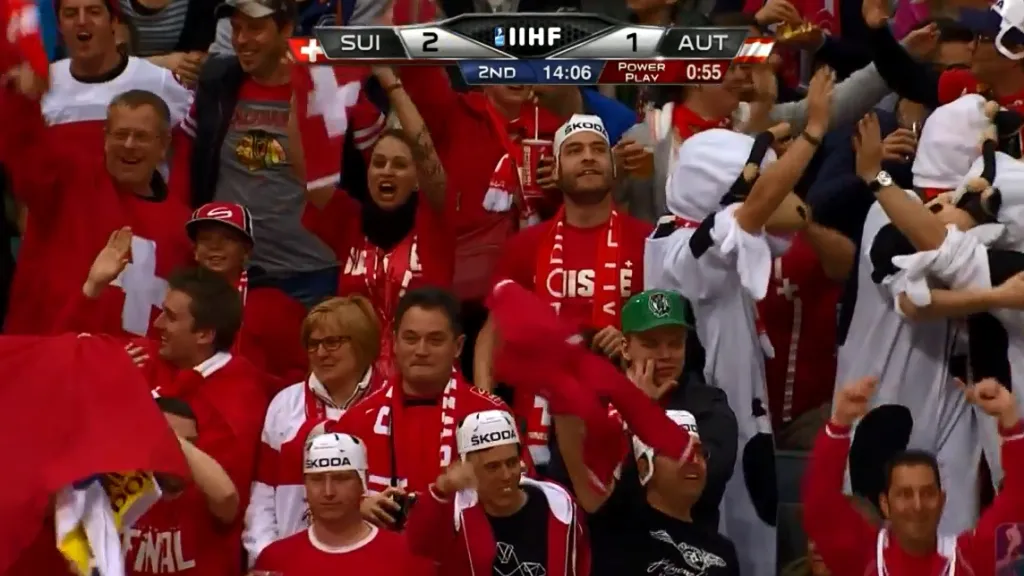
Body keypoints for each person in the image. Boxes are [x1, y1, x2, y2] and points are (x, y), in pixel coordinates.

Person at [643, 65, 834, 576]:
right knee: (723, 550)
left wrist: (766, 126)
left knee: (754, 536)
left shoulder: (681, 223)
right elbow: (752, 208)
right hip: (707, 428)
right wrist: (813, 130)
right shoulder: (683, 248)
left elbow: (745, 189)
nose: (758, 188)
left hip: (739, 412)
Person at [834, 102, 1004, 532]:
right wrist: (1001, 294)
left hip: (950, 401)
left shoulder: (983, 222)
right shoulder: (890, 210)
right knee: (878, 547)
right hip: (882, 398)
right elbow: (919, 297)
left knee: (954, 545)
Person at [176, 0, 385, 308]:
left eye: (256, 28)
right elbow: (184, 155)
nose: (242, 40)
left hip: (314, 273)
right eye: (236, 28)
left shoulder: (328, 88)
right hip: (230, 273)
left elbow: (380, 173)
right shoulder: (219, 83)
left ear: (286, 28)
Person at [476, 114, 653, 467]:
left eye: (598, 149)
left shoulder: (649, 241)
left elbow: (666, 332)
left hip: (624, 409)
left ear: (613, 167)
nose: (588, 157)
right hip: (543, 424)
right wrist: (487, 410)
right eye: (574, 150)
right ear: (555, 171)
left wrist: (628, 343)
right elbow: (493, 333)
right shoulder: (524, 247)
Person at [0, 89, 193, 338]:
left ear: (164, 144)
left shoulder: (183, 226)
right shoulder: (68, 181)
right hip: (46, 355)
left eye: (142, 136)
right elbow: (25, 149)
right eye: (120, 134)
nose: (129, 145)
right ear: (105, 138)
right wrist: (22, 97)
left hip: (128, 369)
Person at [301, 66, 452, 381]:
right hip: (356, 383)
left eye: (399, 165)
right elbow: (309, 170)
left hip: (423, 382)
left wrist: (387, 78)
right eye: (379, 163)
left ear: (415, 180)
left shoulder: (435, 218)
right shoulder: (349, 220)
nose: (386, 171)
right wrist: (297, 90)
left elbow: (424, 151)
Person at [804, 376, 1024, 576]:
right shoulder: (863, 558)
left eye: (927, 493)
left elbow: (1018, 502)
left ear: (942, 500)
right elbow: (820, 505)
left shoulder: (970, 560)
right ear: (885, 503)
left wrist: (1011, 420)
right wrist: (839, 425)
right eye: (904, 494)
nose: (917, 505)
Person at [330, 287, 510, 525]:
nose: (421, 351)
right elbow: (321, 504)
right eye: (411, 339)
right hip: (383, 555)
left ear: (458, 346)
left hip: (463, 556)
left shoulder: (489, 416)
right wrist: (356, 507)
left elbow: (520, 499)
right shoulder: (357, 420)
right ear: (394, 342)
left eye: (435, 340)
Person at [242, 295, 384, 564]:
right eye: (313, 344)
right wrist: (266, 556)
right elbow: (262, 498)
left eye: (332, 342)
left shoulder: (390, 403)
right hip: (293, 563)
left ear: (363, 344)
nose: (321, 353)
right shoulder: (285, 404)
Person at [406, 409, 590, 576]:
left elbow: (580, 565)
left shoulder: (558, 504)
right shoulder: (454, 510)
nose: (506, 475)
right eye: (492, 467)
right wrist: (441, 489)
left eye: (511, 463)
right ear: (468, 469)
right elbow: (419, 545)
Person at [557, 409, 740, 576]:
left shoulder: (723, 551)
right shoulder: (615, 530)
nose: (693, 460)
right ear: (644, 467)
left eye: (700, 452)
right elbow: (573, 445)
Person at [618, 289, 738, 528]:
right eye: (650, 344)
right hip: (620, 544)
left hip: (691, 546)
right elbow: (583, 481)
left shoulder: (709, 405)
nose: (665, 355)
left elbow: (707, 480)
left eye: (675, 344)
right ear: (625, 347)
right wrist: (634, 408)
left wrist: (645, 414)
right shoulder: (602, 400)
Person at [252, 433, 426, 575]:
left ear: (363, 481)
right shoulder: (274, 559)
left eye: (341, 478)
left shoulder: (406, 556)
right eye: (317, 479)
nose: (328, 492)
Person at [186, 201, 308, 385]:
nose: (215, 246)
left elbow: (298, 371)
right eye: (205, 238)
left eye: (227, 238)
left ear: (246, 252)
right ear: (195, 251)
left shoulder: (272, 303)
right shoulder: (181, 299)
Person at [124, 397, 241, 575]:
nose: (179, 455)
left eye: (190, 443)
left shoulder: (206, 494)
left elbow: (226, 497)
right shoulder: (125, 491)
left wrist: (170, 437)